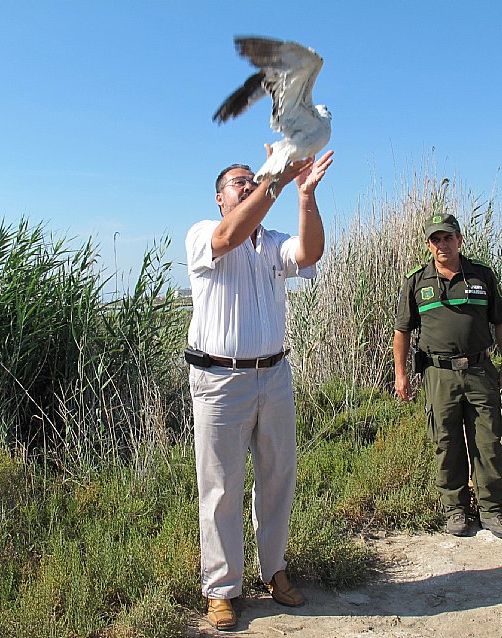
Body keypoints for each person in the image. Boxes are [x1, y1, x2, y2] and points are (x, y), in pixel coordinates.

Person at [185, 147, 334, 631]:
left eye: (253, 179)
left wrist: (304, 194)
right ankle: (223, 589)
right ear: (219, 198)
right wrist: (275, 176)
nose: (248, 185)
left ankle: (275, 571)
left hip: (274, 375)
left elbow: (310, 253)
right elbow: (230, 234)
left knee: (277, 478)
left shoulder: (272, 243)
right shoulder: (204, 234)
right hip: (219, 381)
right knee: (221, 488)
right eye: (239, 182)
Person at [393, 212, 502, 539]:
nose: (442, 244)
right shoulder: (416, 281)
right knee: (446, 442)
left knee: (490, 442)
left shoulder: (482, 275)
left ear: (459, 239)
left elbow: (499, 322)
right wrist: (401, 374)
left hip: (481, 371)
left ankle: (492, 510)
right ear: (429, 245)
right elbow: (401, 331)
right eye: (435, 239)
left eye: (448, 238)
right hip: (438, 375)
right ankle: (455, 510)